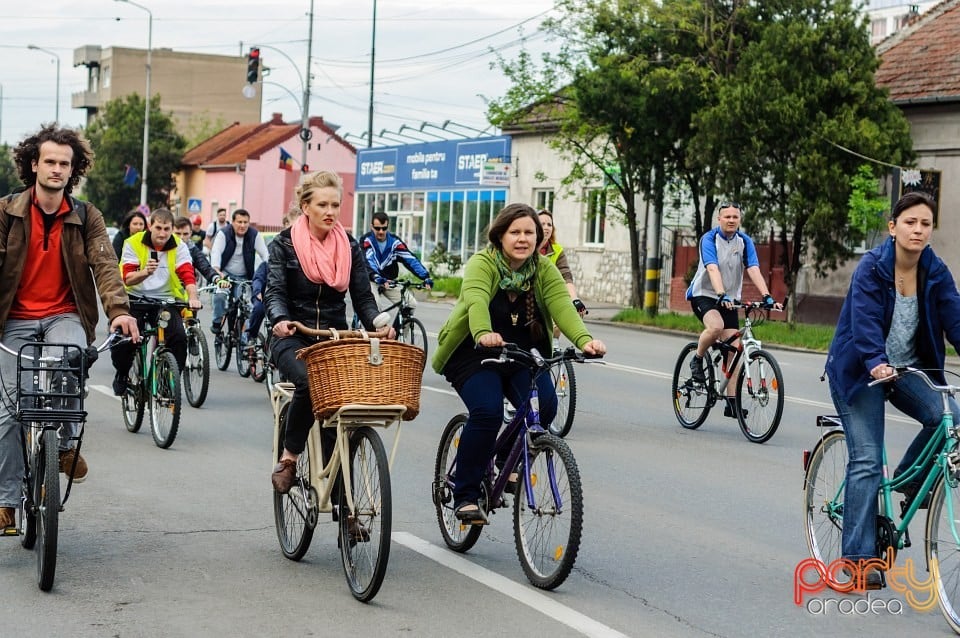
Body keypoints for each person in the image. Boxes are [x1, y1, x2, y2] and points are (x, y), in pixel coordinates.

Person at [0, 124, 140, 529]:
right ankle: (7, 502)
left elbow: (105, 266)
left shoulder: (85, 215)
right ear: (34, 164)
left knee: (71, 362)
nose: (58, 169)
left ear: (73, 170)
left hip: (65, 314)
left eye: (65, 163)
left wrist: (118, 311)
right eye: (50, 162)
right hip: (15, 320)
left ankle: (62, 446)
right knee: (10, 410)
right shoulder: (7, 212)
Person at [431, 203, 606, 524]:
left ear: (539, 237)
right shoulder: (483, 264)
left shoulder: (543, 269)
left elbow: (562, 307)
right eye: (515, 232)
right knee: (487, 411)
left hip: (520, 354)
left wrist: (585, 341)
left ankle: (501, 458)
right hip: (473, 353)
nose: (523, 238)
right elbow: (476, 299)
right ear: (500, 235)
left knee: (547, 407)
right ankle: (466, 495)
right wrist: (484, 333)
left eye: (529, 232)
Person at [825, 190, 960, 589]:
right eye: (910, 222)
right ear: (893, 227)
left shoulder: (935, 271)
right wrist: (876, 362)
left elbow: (955, 320)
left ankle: (906, 481)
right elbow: (864, 321)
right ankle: (857, 560)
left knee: (948, 415)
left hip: (909, 370)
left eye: (925, 224)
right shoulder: (872, 268)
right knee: (866, 460)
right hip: (861, 370)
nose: (917, 230)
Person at [266, 171, 388, 502]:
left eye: (335, 204)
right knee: (309, 383)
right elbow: (274, 290)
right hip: (293, 335)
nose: (330, 211)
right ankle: (290, 458)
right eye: (322, 204)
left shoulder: (348, 245)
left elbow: (363, 298)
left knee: (348, 410)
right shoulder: (284, 244)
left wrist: (378, 321)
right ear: (305, 206)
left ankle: (346, 505)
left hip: (334, 337)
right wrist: (280, 319)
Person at [685, 201, 780, 418]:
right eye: (727, 217)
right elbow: (712, 268)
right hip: (705, 295)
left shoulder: (744, 242)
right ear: (719, 219)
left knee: (735, 350)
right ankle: (697, 359)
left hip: (729, 299)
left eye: (735, 217)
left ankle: (731, 403)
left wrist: (767, 296)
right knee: (716, 326)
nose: (731, 220)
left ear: (739, 220)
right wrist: (721, 294)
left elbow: (754, 269)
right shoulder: (709, 239)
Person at [111, 208, 202, 396]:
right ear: (150, 226)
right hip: (134, 298)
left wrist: (193, 298)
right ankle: (122, 373)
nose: (162, 233)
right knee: (124, 340)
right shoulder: (133, 243)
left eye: (167, 229)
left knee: (178, 337)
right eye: (158, 227)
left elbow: (187, 274)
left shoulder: (179, 246)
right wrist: (145, 272)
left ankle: (167, 380)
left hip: (164, 301)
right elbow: (127, 278)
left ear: (171, 229)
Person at [359, 211, 433, 328]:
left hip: (390, 281)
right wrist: (377, 277)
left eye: (384, 228)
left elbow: (410, 259)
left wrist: (426, 276)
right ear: (371, 227)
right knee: (375, 307)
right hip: (372, 280)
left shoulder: (394, 242)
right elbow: (368, 262)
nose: (381, 232)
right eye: (377, 228)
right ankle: (376, 339)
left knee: (410, 303)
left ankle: (397, 336)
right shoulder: (366, 241)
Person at [208, 208, 269, 334]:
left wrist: (271, 272)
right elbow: (216, 253)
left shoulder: (254, 235)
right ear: (233, 222)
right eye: (239, 222)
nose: (242, 225)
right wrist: (216, 270)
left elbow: (266, 256)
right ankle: (217, 322)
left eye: (245, 222)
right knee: (220, 296)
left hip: (244, 277)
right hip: (225, 275)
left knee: (247, 305)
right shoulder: (223, 233)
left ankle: (245, 337)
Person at [537, 208, 587, 326]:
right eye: (542, 224)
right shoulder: (526, 247)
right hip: (528, 297)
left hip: (549, 295)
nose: (546, 227)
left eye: (549, 224)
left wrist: (575, 300)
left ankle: (554, 343)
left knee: (559, 319)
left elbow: (566, 276)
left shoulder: (557, 250)